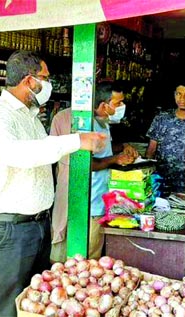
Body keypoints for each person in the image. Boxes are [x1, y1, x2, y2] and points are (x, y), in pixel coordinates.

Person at [0, 50, 106, 317]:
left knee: (33, 300)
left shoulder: (30, 116)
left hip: (36, 224)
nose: (48, 85)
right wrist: (76, 141)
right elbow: (18, 154)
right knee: (6, 303)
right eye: (44, 78)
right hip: (10, 228)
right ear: (28, 80)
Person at [49, 83, 138, 263]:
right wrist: (115, 159)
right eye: (118, 103)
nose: (121, 107)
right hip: (81, 199)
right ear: (104, 105)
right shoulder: (77, 121)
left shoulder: (103, 122)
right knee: (70, 259)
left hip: (98, 200)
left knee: (91, 258)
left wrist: (123, 147)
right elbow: (82, 163)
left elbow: (102, 150)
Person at [145, 83, 185, 194]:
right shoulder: (161, 118)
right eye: (178, 94)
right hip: (158, 181)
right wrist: (146, 180)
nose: (182, 99)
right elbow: (151, 151)